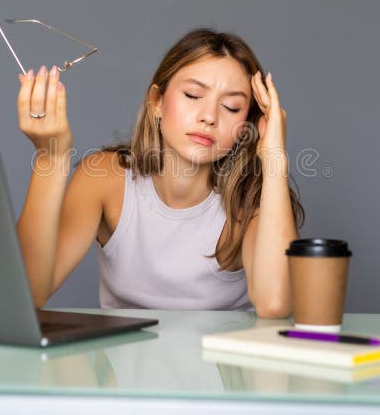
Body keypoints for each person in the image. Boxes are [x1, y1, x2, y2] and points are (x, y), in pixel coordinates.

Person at [15, 27, 305, 318]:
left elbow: (275, 303)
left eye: (231, 107)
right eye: (193, 95)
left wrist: (274, 158)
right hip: (123, 360)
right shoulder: (102, 178)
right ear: (157, 102)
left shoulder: (252, 201)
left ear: (248, 125)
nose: (209, 117)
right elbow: (26, 293)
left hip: (220, 363)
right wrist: (50, 158)